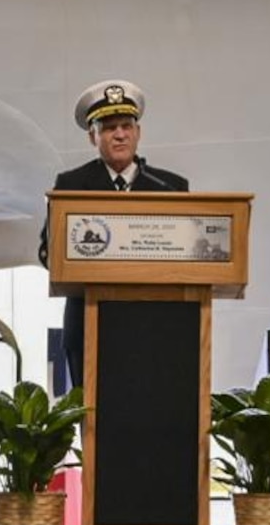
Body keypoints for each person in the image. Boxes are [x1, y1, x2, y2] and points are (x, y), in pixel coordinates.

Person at [38, 79, 188, 389]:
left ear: (138, 133)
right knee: (94, 420)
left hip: (156, 326)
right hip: (89, 322)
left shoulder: (171, 187)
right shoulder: (70, 185)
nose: (119, 134)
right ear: (93, 137)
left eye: (126, 126)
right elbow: (46, 252)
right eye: (108, 128)